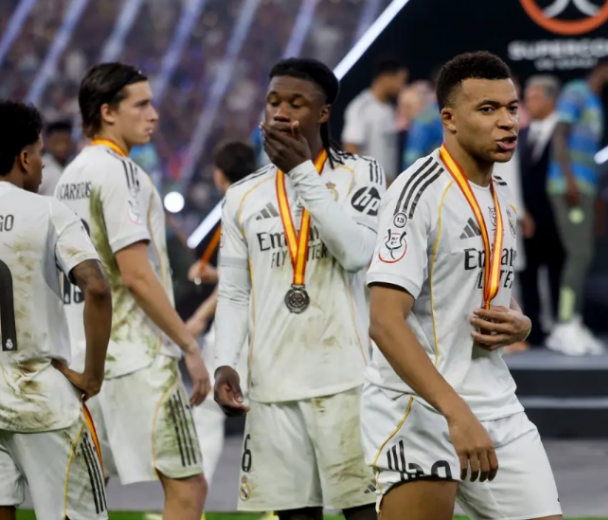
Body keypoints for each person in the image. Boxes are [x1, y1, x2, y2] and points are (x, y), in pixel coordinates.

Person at [363, 51, 560, 520]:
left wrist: (521, 323)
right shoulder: (416, 194)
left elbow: (478, 292)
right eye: (487, 109)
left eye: (511, 108)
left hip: (496, 403)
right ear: (448, 119)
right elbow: (385, 322)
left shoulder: (501, 196)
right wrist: (455, 412)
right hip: (418, 407)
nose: (507, 121)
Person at [213, 58, 381, 520]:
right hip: (273, 387)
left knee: (364, 514)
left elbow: (355, 253)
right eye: (273, 101)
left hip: (347, 381)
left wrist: (303, 172)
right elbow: (234, 293)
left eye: (296, 103)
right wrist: (225, 361)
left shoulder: (361, 174)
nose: (281, 112)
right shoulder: (242, 195)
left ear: (323, 113)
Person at [55, 63, 210, 519]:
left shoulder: (69, 176)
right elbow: (136, 275)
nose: (154, 114)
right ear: (107, 112)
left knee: (85, 495)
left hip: (84, 358)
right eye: (141, 104)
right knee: (188, 486)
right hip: (138, 357)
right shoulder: (121, 172)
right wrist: (188, 346)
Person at [0, 100, 112, 520]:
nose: (44, 164)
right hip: (40, 397)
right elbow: (96, 288)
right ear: (24, 158)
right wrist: (92, 376)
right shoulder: (48, 211)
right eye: (40, 152)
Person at [185, 140, 256, 483]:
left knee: (207, 411)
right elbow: (248, 271)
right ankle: (278, 502)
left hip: (238, 326)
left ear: (218, 175)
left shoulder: (234, 208)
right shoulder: (262, 203)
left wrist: (200, 317)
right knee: (272, 416)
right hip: (270, 325)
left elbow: (237, 283)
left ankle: (193, 498)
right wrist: (215, 274)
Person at [543, 62, 608, 356]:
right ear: (603, 67)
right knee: (578, 255)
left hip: (585, 186)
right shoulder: (576, 91)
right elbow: (559, 134)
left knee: (583, 256)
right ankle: (564, 324)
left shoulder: (595, 100)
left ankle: (574, 321)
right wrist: (569, 179)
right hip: (567, 186)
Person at [516, 75, 565, 350]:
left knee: (560, 274)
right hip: (528, 218)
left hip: (561, 216)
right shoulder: (521, 135)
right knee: (528, 275)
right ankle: (533, 330)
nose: (527, 103)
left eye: (533, 97)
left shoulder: (567, 132)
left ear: (551, 100)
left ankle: (563, 325)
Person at [342, 58, 408, 183]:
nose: (402, 86)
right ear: (385, 77)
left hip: (388, 186)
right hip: (368, 187)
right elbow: (351, 148)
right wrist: (376, 179)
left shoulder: (390, 109)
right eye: (401, 80)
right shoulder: (361, 107)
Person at [38, 119, 73, 196]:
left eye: (66, 141)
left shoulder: (74, 167)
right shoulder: (40, 169)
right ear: (47, 142)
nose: (63, 146)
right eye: (58, 141)